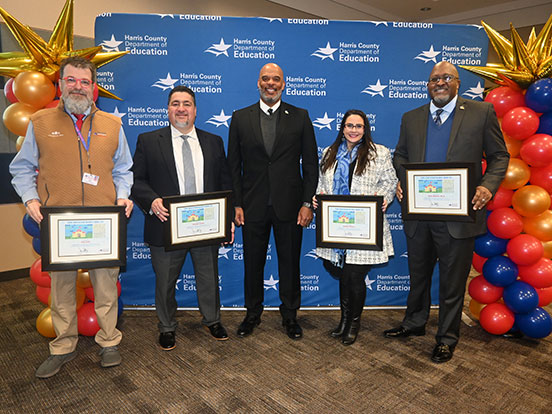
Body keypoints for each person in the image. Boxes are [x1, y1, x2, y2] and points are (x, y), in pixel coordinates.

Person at [9, 56, 134, 378]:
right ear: (60, 84)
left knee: (106, 286)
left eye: (84, 81)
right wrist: (31, 199)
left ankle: (109, 341)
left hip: (103, 223)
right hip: (60, 222)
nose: (78, 87)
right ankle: (62, 345)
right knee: (61, 289)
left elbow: (123, 170)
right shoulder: (40, 122)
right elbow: (21, 169)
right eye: (71, 80)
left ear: (94, 87)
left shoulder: (113, 125)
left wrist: (122, 196)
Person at [384, 61, 509, 363]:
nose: (439, 83)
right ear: (427, 85)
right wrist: (403, 180)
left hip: (458, 215)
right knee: (419, 276)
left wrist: (488, 186)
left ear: (457, 83)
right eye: (434, 79)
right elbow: (400, 155)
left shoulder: (482, 113)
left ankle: (447, 337)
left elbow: (499, 155)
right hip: (418, 214)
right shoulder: (411, 117)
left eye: (446, 78)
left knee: (452, 283)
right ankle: (414, 324)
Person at [132, 85, 233, 351]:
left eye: (186, 104)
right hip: (165, 224)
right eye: (175, 103)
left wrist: (227, 219)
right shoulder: (148, 140)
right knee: (165, 280)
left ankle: (212, 320)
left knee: (208, 276)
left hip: (205, 226)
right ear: (168, 110)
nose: (181, 109)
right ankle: (166, 326)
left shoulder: (213, 141)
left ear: (195, 110)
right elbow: (136, 180)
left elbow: (225, 183)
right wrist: (151, 200)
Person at [227, 63, 318, 339]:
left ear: (283, 84)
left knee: (290, 263)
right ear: (258, 83)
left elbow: (311, 165)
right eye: (265, 78)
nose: (270, 83)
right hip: (253, 205)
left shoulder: (300, 117)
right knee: (252, 263)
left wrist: (306, 203)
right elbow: (234, 166)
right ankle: (252, 314)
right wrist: (237, 203)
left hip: (290, 206)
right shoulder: (240, 117)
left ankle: (290, 316)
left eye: (276, 79)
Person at [314, 109, 397, 345]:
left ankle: (353, 323)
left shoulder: (378, 153)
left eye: (358, 126)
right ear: (342, 128)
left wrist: (381, 199)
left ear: (365, 129)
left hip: (365, 228)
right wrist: (317, 197)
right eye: (349, 125)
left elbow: (390, 182)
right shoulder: (330, 153)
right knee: (343, 276)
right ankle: (343, 320)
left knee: (354, 276)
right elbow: (322, 184)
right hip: (337, 227)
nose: (353, 130)